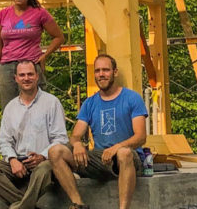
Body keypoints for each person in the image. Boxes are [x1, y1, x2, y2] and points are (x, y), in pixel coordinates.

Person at [50, 54, 148, 209]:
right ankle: (79, 204)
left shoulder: (132, 98)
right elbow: (75, 135)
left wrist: (117, 147)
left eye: (105, 70)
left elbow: (141, 137)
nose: (101, 74)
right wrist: (77, 144)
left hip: (129, 158)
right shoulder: (89, 103)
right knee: (56, 152)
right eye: (97, 71)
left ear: (115, 72)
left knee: (124, 153)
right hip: (100, 158)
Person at [0, 60, 73, 209]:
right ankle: (26, 205)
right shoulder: (10, 108)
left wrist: (43, 156)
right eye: (22, 75)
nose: (26, 78)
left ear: (37, 77)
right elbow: (4, 141)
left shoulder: (51, 103)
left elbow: (61, 138)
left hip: (44, 162)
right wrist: (12, 159)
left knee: (44, 170)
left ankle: (21, 206)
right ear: (16, 78)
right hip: (19, 163)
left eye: (30, 74)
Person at [0, 0, 64, 102]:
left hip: (31, 65)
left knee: (38, 104)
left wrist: (44, 56)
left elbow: (59, 37)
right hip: (7, 67)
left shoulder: (39, 13)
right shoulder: (3, 14)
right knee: (9, 107)